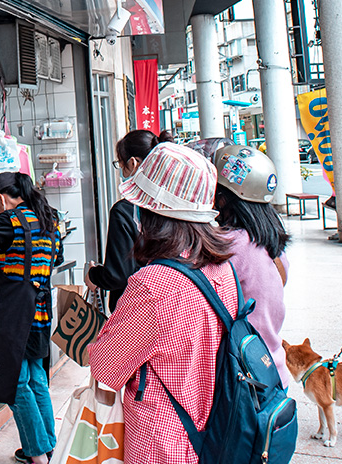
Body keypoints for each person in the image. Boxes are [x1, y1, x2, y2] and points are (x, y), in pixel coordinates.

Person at [88, 143, 236, 464]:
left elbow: (105, 367)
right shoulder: (224, 268)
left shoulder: (153, 285)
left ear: (151, 213)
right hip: (215, 425)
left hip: (162, 439)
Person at [0, 172, 63, 464]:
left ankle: (37, 453)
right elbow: (50, 256)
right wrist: (5, 257)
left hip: (15, 314)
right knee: (37, 377)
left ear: (1, 198)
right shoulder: (48, 217)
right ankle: (47, 445)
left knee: (16, 382)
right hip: (40, 309)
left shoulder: (10, 220)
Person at [212, 144, 292, 387]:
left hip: (243, 377)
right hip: (272, 366)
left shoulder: (231, 245)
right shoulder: (271, 240)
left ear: (225, 198)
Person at [85, 129, 173, 310]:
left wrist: (93, 275)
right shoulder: (173, 204)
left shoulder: (124, 211)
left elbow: (117, 275)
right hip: (173, 303)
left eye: (120, 163)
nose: (121, 169)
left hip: (136, 310)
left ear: (133, 163)